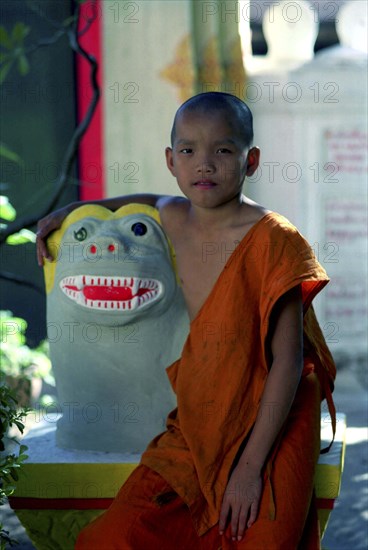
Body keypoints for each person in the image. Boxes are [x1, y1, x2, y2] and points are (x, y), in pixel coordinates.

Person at [36, 92, 336, 549]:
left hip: (276, 413)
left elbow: (287, 364)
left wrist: (250, 470)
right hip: (204, 412)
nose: (204, 165)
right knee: (117, 537)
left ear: (250, 160)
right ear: (171, 160)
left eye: (223, 150)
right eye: (189, 151)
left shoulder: (276, 239)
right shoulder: (175, 217)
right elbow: (147, 199)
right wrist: (65, 214)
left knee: (264, 536)